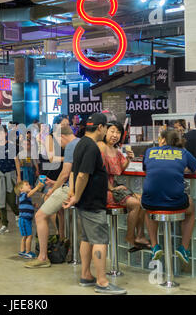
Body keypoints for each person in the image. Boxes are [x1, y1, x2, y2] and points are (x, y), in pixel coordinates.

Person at [64, 113, 127, 294]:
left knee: (86, 238)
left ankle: (86, 275)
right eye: (107, 128)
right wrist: (75, 196)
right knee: (99, 240)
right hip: (92, 202)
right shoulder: (92, 147)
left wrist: (74, 193)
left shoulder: (80, 143)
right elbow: (83, 174)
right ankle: (102, 282)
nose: (108, 131)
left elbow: (74, 172)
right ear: (100, 128)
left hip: (85, 201)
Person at [141, 129, 196, 264]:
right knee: (190, 206)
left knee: (147, 207)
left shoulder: (150, 151)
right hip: (176, 203)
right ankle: (183, 248)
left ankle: (155, 245)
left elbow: (146, 169)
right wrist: (182, 168)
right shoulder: (183, 153)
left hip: (151, 202)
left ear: (162, 140)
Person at [24, 125, 79, 268]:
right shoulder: (80, 143)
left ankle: (43, 258)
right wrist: (55, 183)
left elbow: (66, 173)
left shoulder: (70, 147)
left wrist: (52, 189)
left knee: (40, 216)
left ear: (62, 136)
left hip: (69, 188)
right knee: (58, 215)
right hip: (74, 186)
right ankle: (63, 243)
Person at [97, 122, 149, 250]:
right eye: (112, 131)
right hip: (102, 189)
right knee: (135, 204)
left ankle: (140, 235)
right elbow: (100, 171)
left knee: (142, 200)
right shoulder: (101, 147)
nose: (115, 135)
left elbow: (119, 169)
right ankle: (130, 236)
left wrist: (129, 159)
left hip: (113, 186)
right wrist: (111, 188)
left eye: (118, 132)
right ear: (105, 132)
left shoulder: (116, 150)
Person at [0, 126, 21, 234]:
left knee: (11, 201)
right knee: (0, 200)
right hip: (0, 176)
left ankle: (17, 213)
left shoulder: (11, 146)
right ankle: (4, 224)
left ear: (6, 134)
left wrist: (19, 177)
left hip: (10, 176)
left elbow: (16, 162)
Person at [14, 180, 44, 259]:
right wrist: (37, 187)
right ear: (21, 189)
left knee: (24, 236)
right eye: (26, 185)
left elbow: (27, 203)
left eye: (29, 184)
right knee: (29, 236)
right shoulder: (23, 195)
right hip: (25, 220)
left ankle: (22, 251)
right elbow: (30, 194)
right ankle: (28, 252)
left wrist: (33, 205)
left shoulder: (25, 197)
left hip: (25, 220)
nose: (29, 185)